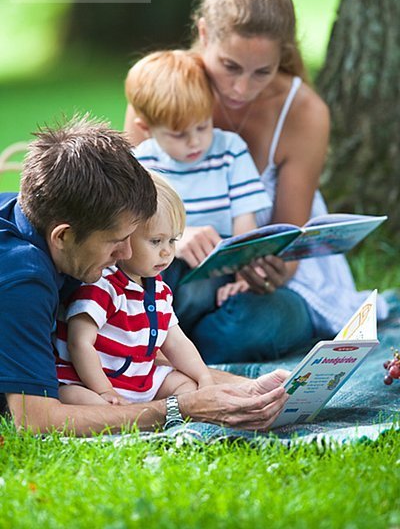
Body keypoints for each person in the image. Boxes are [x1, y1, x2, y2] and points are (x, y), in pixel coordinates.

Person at [124, 0, 388, 364]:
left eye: (261, 72)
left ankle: (164, 349)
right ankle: (170, 343)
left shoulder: (302, 111)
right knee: (157, 290)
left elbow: (288, 236)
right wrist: (181, 238)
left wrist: (275, 270)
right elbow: (129, 210)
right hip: (168, 267)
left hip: (252, 290)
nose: (240, 89)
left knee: (263, 324)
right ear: (204, 34)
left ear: (283, 56)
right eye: (229, 66)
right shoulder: (163, 90)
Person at [0, 114, 290, 435]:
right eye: (115, 241)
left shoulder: (50, 223)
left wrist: (250, 390)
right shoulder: (22, 281)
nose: (126, 254)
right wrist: (180, 409)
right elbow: (36, 419)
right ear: (63, 236)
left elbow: (135, 359)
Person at [125, 49, 271, 319]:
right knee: (165, 277)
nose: (194, 142)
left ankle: (185, 340)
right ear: (146, 128)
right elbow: (137, 230)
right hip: (165, 265)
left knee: (264, 309)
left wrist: (242, 273)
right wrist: (177, 239)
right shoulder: (143, 162)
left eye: (202, 127)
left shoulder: (229, 150)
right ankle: (166, 337)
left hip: (219, 270)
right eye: (178, 135)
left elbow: (244, 222)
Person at [55, 172, 214, 406]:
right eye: (156, 241)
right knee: (71, 396)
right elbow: (79, 342)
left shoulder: (159, 289)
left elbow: (177, 342)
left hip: (138, 382)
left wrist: (204, 378)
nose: (167, 252)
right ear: (124, 238)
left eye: (172, 240)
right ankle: (134, 416)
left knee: (185, 386)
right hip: (90, 382)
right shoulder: (102, 285)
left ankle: (149, 413)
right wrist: (104, 391)